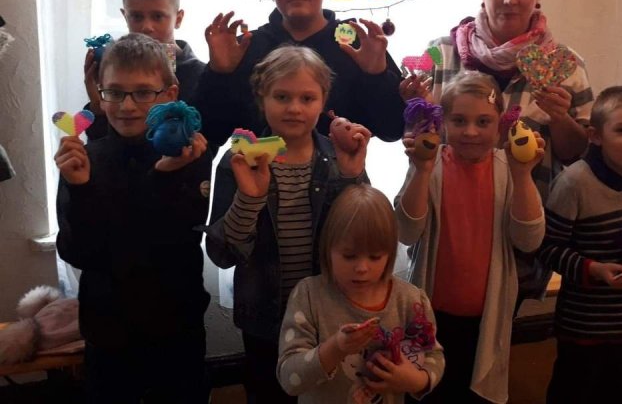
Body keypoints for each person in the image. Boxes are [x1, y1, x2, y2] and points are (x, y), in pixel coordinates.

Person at [400, 0, 593, 305]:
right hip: (445, 239)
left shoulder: (564, 65)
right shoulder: (441, 55)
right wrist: (414, 106)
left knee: (498, 337)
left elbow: (577, 154)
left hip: (519, 242)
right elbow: (416, 139)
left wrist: (560, 117)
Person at [205, 44, 370, 404]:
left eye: (307, 98)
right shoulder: (239, 161)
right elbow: (223, 254)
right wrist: (250, 198)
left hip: (328, 312)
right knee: (267, 392)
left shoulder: (336, 157)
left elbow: (361, 236)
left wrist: (352, 176)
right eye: (281, 96)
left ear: (323, 102)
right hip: (265, 318)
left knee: (327, 394)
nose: (294, 108)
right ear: (262, 98)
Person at [55, 33, 212, 403]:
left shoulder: (189, 156)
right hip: (106, 332)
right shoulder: (86, 159)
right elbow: (78, 252)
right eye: (114, 92)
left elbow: (170, 243)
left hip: (176, 329)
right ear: (100, 94)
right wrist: (80, 190)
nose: (127, 106)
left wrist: (163, 175)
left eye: (143, 92)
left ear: (169, 95)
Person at [395, 71, 545, 403]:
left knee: (475, 391)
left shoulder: (508, 169)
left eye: (483, 121)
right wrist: (421, 171)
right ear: (443, 122)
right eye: (459, 120)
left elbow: (529, 240)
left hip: (487, 317)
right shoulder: (430, 164)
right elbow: (407, 232)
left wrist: (523, 176)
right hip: (431, 316)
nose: (471, 131)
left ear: (500, 124)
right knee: (428, 391)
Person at [194, 0, 406, 147]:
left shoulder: (357, 46)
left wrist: (376, 76)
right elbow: (208, 134)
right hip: (254, 168)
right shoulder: (245, 47)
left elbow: (393, 129)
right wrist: (219, 74)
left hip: (342, 169)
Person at [537, 86, 622, 404]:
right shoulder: (574, 183)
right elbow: (548, 248)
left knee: (617, 390)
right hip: (582, 323)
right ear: (595, 136)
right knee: (573, 390)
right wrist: (595, 270)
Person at [277, 184, 445, 403]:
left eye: (375, 257)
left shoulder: (410, 301)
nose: (362, 268)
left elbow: (433, 356)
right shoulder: (309, 296)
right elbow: (290, 379)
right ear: (328, 249)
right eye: (349, 256)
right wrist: (335, 348)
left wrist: (416, 380)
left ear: (390, 254)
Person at [84, 0, 206, 141]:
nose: (147, 27)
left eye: (157, 16)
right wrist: (98, 107)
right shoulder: (113, 66)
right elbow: (103, 146)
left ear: (178, 18)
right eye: (136, 16)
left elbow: (209, 141)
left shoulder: (200, 75)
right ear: (125, 16)